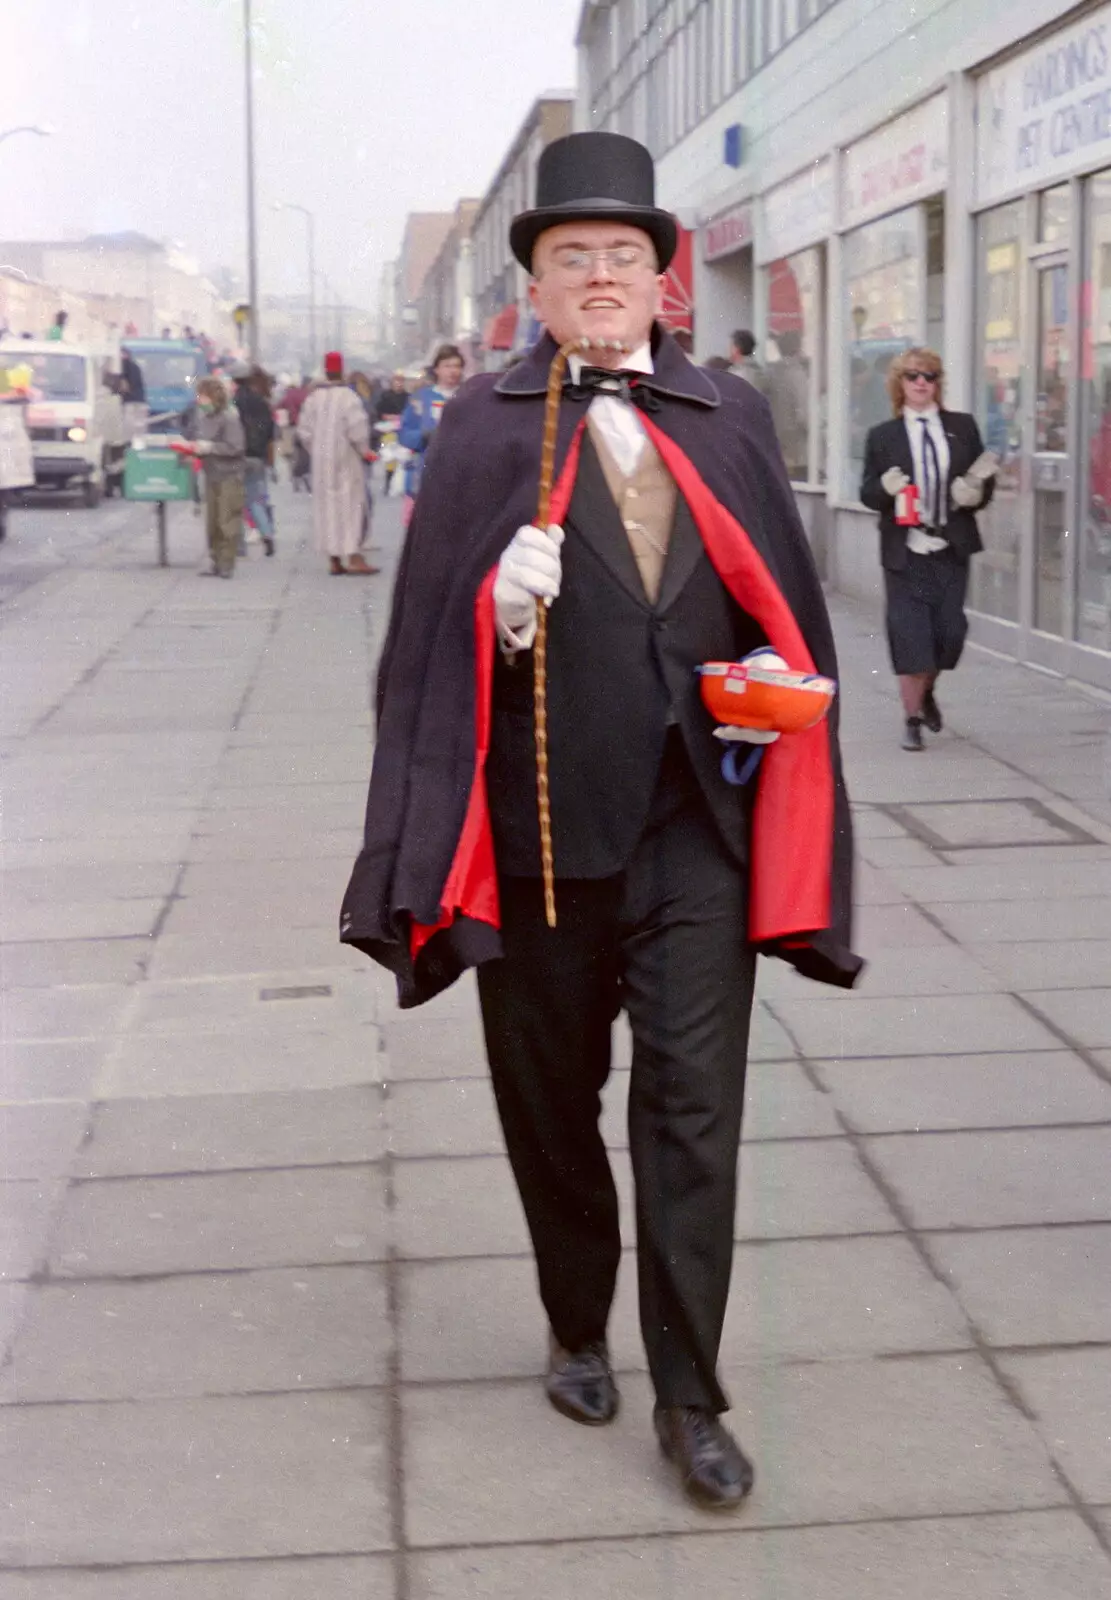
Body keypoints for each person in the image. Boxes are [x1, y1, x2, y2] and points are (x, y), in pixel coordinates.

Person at [340, 130, 859, 1512]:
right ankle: (576, 1320)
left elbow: (782, 610)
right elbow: (414, 657)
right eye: (569, 258)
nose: (596, 277)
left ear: (658, 277)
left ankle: (689, 1392)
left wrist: (775, 700)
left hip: (698, 823)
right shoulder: (484, 425)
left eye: (619, 256)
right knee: (551, 1105)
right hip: (539, 832)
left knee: (694, 1113)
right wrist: (491, 614)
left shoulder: (724, 413)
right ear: (537, 284)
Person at [860, 347, 994, 751]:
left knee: (950, 634)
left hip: (950, 548)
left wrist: (973, 494)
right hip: (906, 551)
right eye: (913, 376)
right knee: (910, 637)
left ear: (938, 383)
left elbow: (981, 483)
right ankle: (912, 718)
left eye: (930, 376)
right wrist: (884, 490)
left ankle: (927, 690)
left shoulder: (962, 427)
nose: (922, 383)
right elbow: (866, 493)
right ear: (900, 384)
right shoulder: (883, 436)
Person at [296, 350, 377, 575]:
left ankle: (334, 559)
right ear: (342, 370)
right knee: (351, 506)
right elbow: (358, 430)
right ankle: (353, 555)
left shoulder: (313, 398)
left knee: (327, 507)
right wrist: (364, 450)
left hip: (322, 462)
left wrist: (317, 451)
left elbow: (304, 432)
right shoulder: (349, 397)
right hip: (346, 458)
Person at [189, 377, 246, 579]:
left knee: (227, 520)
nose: (199, 400)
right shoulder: (204, 419)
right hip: (211, 473)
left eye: (202, 396)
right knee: (212, 522)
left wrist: (211, 447)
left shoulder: (229, 418)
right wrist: (194, 450)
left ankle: (226, 563)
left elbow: (236, 447)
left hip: (229, 475)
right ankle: (215, 560)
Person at [398, 343, 465, 512]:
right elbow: (404, 433)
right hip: (426, 475)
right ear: (436, 369)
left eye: (457, 366)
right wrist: (424, 436)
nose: (453, 371)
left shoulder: (469, 396)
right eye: (447, 366)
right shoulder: (421, 398)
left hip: (461, 478)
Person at [235, 365, 277, 557]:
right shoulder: (262, 402)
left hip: (238, 455)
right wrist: (269, 458)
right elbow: (270, 432)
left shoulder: (234, 403)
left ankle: (239, 545)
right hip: (258, 456)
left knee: (235, 501)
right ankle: (267, 534)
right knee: (255, 500)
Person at [728, 329, 767, 395]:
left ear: (737, 349)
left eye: (730, 346)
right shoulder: (759, 371)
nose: (728, 350)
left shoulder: (738, 375)